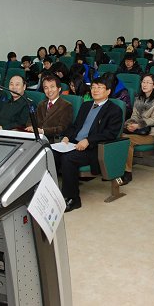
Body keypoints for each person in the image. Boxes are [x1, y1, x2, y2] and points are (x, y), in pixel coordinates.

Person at [54, 77, 123, 212]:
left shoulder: (114, 110)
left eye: (100, 87)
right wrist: (67, 137)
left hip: (94, 148)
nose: (95, 90)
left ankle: (72, 199)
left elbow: (110, 134)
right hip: (74, 144)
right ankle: (51, 193)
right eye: (93, 87)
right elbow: (75, 126)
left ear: (108, 91)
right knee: (48, 153)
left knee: (68, 158)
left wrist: (89, 140)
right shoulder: (86, 105)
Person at [121, 74, 154, 184]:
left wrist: (138, 125)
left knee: (127, 140)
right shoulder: (139, 98)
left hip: (151, 133)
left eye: (148, 82)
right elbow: (134, 115)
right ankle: (114, 169)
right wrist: (131, 124)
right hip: (138, 131)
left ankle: (127, 172)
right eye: (143, 82)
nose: (144, 84)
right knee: (119, 136)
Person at [26, 75, 73, 143]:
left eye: (52, 87)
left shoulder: (66, 106)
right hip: (36, 138)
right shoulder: (41, 104)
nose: (49, 90)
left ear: (59, 89)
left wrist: (43, 131)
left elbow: (62, 129)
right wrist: (31, 127)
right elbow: (31, 120)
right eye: (46, 88)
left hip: (52, 141)